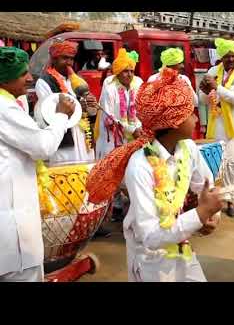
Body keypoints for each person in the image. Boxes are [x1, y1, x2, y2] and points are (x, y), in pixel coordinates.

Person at [86, 67, 222, 282]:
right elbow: (150, 236)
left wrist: (211, 217)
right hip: (149, 259)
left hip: (180, 244)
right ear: (174, 123)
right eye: (190, 113)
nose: (196, 119)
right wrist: (198, 215)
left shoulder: (188, 148)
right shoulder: (140, 166)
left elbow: (206, 187)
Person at [0, 47, 75, 282]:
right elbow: (42, 145)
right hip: (15, 236)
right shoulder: (5, 108)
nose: (30, 78)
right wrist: (62, 115)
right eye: (23, 74)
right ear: (5, 78)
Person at [199, 38, 234, 218]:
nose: (230, 59)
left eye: (233, 56)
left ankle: (231, 201)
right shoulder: (213, 71)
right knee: (216, 165)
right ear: (221, 56)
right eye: (227, 56)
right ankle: (217, 200)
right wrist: (205, 91)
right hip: (217, 125)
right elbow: (203, 100)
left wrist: (217, 88)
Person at [34, 40, 96, 164]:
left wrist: (90, 104)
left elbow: (88, 110)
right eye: (65, 58)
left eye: (71, 59)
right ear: (54, 59)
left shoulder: (77, 80)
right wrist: (79, 107)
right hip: (64, 140)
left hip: (83, 137)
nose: (69, 63)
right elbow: (50, 112)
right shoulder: (44, 82)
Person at [96, 48, 143, 159]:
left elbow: (142, 109)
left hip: (135, 135)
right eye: (125, 71)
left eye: (131, 71)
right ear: (118, 72)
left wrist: (139, 127)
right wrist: (132, 130)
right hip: (113, 138)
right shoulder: (110, 88)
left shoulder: (137, 84)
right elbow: (109, 118)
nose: (129, 75)